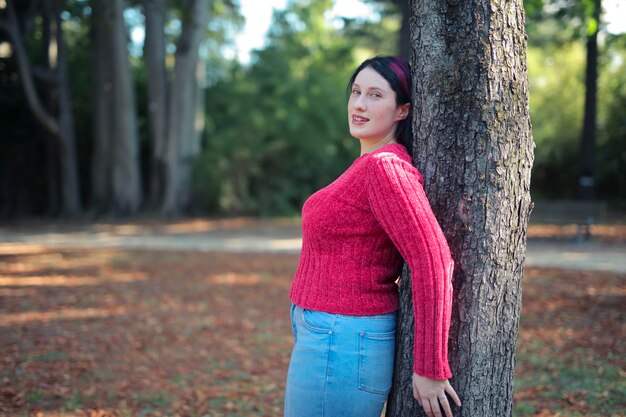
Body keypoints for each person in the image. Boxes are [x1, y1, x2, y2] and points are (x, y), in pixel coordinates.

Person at [284, 56, 461, 417]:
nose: (360, 104)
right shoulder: (368, 164)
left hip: (343, 339)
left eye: (376, 95)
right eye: (356, 92)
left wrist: (430, 367)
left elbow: (433, 260)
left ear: (402, 110)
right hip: (331, 334)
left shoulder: (385, 168)